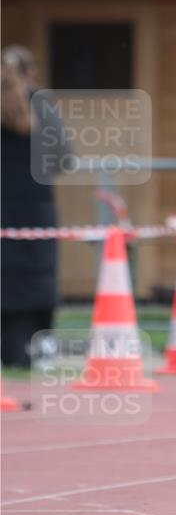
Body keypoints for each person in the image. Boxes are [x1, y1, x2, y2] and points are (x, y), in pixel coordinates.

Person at [1, 47, 69, 369]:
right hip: (35, 211)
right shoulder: (40, 102)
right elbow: (64, 158)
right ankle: (37, 356)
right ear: (31, 73)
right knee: (37, 284)